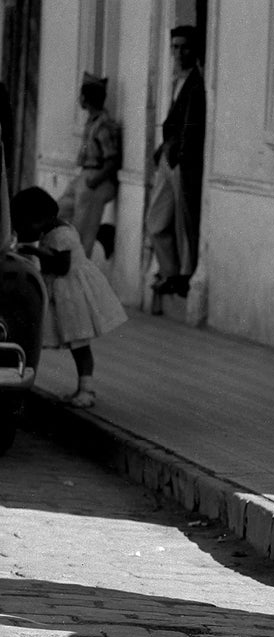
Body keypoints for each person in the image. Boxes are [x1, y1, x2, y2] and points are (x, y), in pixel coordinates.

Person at [12, 186, 126, 408]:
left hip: (73, 296)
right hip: (64, 294)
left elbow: (62, 266)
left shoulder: (61, 234)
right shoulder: (54, 230)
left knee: (79, 341)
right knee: (76, 342)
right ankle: (82, 388)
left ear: (41, 219)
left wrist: (32, 251)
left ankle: (87, 389)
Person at [145, 24, 205, 301]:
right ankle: (169, 271)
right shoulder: (176, 81)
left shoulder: (196, 83)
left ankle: (182, 276)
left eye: (185, 47)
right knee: (156, 220)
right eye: (175, 47)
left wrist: (179, 156)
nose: (179, 53)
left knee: (184, 224)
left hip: (182, 163)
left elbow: (192, 129)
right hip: (168, 160)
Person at [57, 73, 121, 257]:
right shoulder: (92, 122)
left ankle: (80, 276)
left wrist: (95, 181)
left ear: (86, 98)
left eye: (81, 95)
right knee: (59, 212)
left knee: (82, 238)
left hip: (97, 181)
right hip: (85, 178)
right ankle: (102, 234)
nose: (80, 99)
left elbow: (113, 160)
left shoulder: (104, 125)